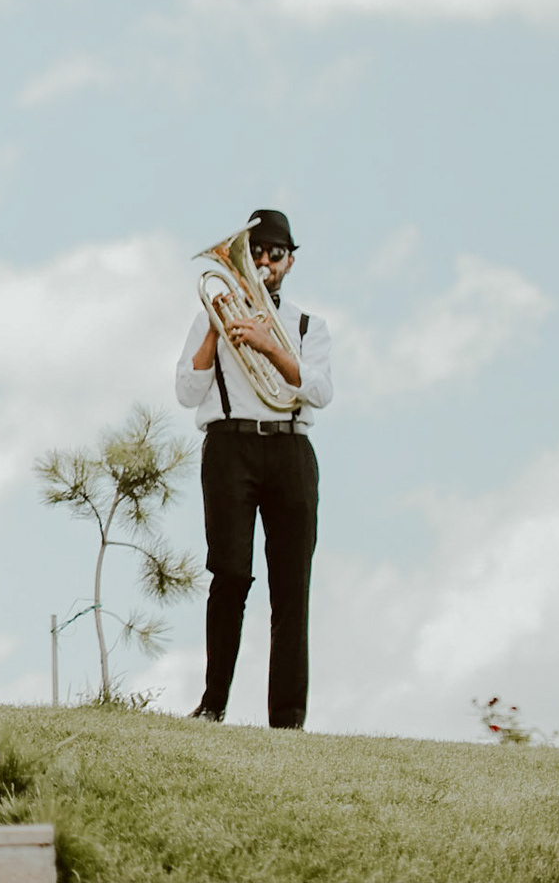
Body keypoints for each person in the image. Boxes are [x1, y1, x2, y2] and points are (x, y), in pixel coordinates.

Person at [174, 209, 333, 729]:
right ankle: (212, 703)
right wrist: (215, 333)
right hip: (229, 448)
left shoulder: (307, 325)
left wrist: (269, 346)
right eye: (256, 250)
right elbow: (186, 392)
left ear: (290, 261)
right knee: (230, 575)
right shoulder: (210, 317)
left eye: (275, 253)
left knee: (291, 586)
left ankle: (288, 718)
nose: (264, 261)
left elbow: (320, 391)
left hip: (291, 451)